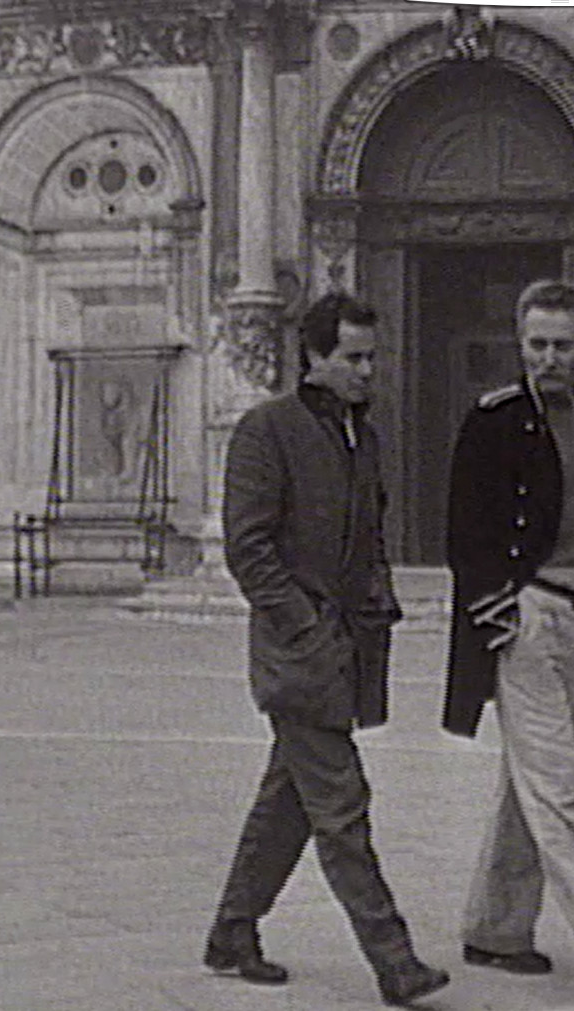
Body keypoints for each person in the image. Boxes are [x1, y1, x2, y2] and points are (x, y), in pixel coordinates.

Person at [204, 291, 449, 1007]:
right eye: (353, 357)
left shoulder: (361, 437)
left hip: (348, 648)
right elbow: (248, 548)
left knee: (291, 799)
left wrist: (375, 607)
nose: (368, 371)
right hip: (299, 651)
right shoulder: (266, 430)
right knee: (341, 803)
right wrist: (305, 625)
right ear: (314, 355)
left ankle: (232, 931)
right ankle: (394, 960)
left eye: (372, 357)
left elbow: (368, 537)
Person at [442, 279, 574, 1001]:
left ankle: (496, 928)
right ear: (520, 341)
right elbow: (466, 533)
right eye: (536, 343)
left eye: (563, 344)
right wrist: (504, 616)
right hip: (528, 620)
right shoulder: (494, 421)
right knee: (558, 786)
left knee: (531, 780)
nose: (548, 357)